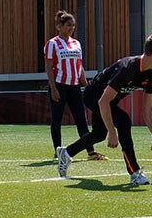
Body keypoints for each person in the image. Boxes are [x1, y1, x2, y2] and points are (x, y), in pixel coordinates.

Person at [56, 33, 152, 185]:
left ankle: (66, 152)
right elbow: (103, 101)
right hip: (93, 96)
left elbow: (147, 108)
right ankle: (135, 172)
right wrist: (112, 132)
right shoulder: (127, 69)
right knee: (123, 121)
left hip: (106, 101)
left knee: (98, 134)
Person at [45, 10, 107, 161]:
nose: (71, 28)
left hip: (74, 87)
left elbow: (79, 66)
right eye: (68, 25)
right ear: (59, 26)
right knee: (57, 119)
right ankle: (58, 151)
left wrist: (86, 85)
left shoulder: (76, 43)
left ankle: (91, 151)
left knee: (81, 119)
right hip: (59, 85)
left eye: (73, 25)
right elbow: (48, 66)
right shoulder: (52, 43)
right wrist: (53, 88)